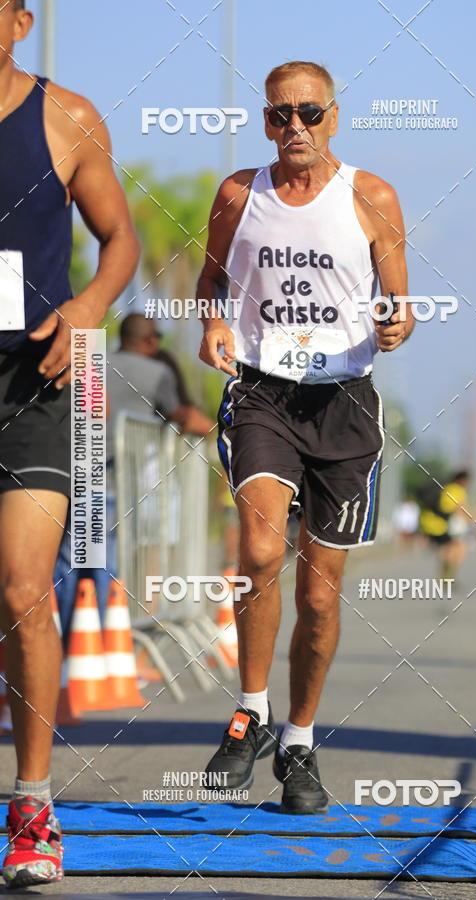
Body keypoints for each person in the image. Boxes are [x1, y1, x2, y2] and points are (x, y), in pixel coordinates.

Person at [197, 60, 413, 814]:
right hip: (263, 393)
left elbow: (399, 300)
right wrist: (214, 322)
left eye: (309, 113)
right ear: (265, 121)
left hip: (345, 405)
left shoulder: (372, 195)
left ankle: (298, 740)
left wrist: (397, 323)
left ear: (333, 117)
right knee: (260, 551)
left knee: (319, 597)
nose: (295, 127)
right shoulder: (239, 194)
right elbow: (211, 280)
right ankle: (251, 712)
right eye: (280, 114)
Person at [0, 2, 139, 885]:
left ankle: (32, 807)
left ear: (20, 22)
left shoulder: (66, 117)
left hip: (32, 383)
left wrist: (88, 307)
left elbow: (119, 238)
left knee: (23, 588)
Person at [53, 313, 213, 641]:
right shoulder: (158, 372)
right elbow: (183, 415)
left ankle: (63, 643)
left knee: (69, 562)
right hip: (115, 481)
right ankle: (99, 643)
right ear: (150, 340)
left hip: (74, 475)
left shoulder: (93, 363)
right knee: (105, 564)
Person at [419, 471, 471, 580]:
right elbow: (459, 509)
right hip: (448, 525)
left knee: (447, 548)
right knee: (459, 548)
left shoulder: (446, 488)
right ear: (462, 480)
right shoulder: (458, 490)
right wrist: (472, 520)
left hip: (436, 524)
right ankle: (448, 575)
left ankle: (445, 575)